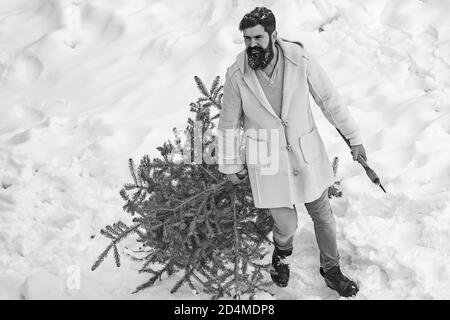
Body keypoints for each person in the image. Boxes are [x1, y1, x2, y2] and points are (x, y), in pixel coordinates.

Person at [217, 7, 366, 298]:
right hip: (268, 159)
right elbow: (228, 123)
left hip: (303, 151)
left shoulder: (300, 59)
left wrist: (353, 137)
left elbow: (329, 99)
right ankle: (282, 255)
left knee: (322, 215)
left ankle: (331, 270)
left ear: (273, 34)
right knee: (286, 223)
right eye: (246, 39)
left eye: (257, 37)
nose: (251, 45)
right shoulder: (237, 74)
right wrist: (230, 163)